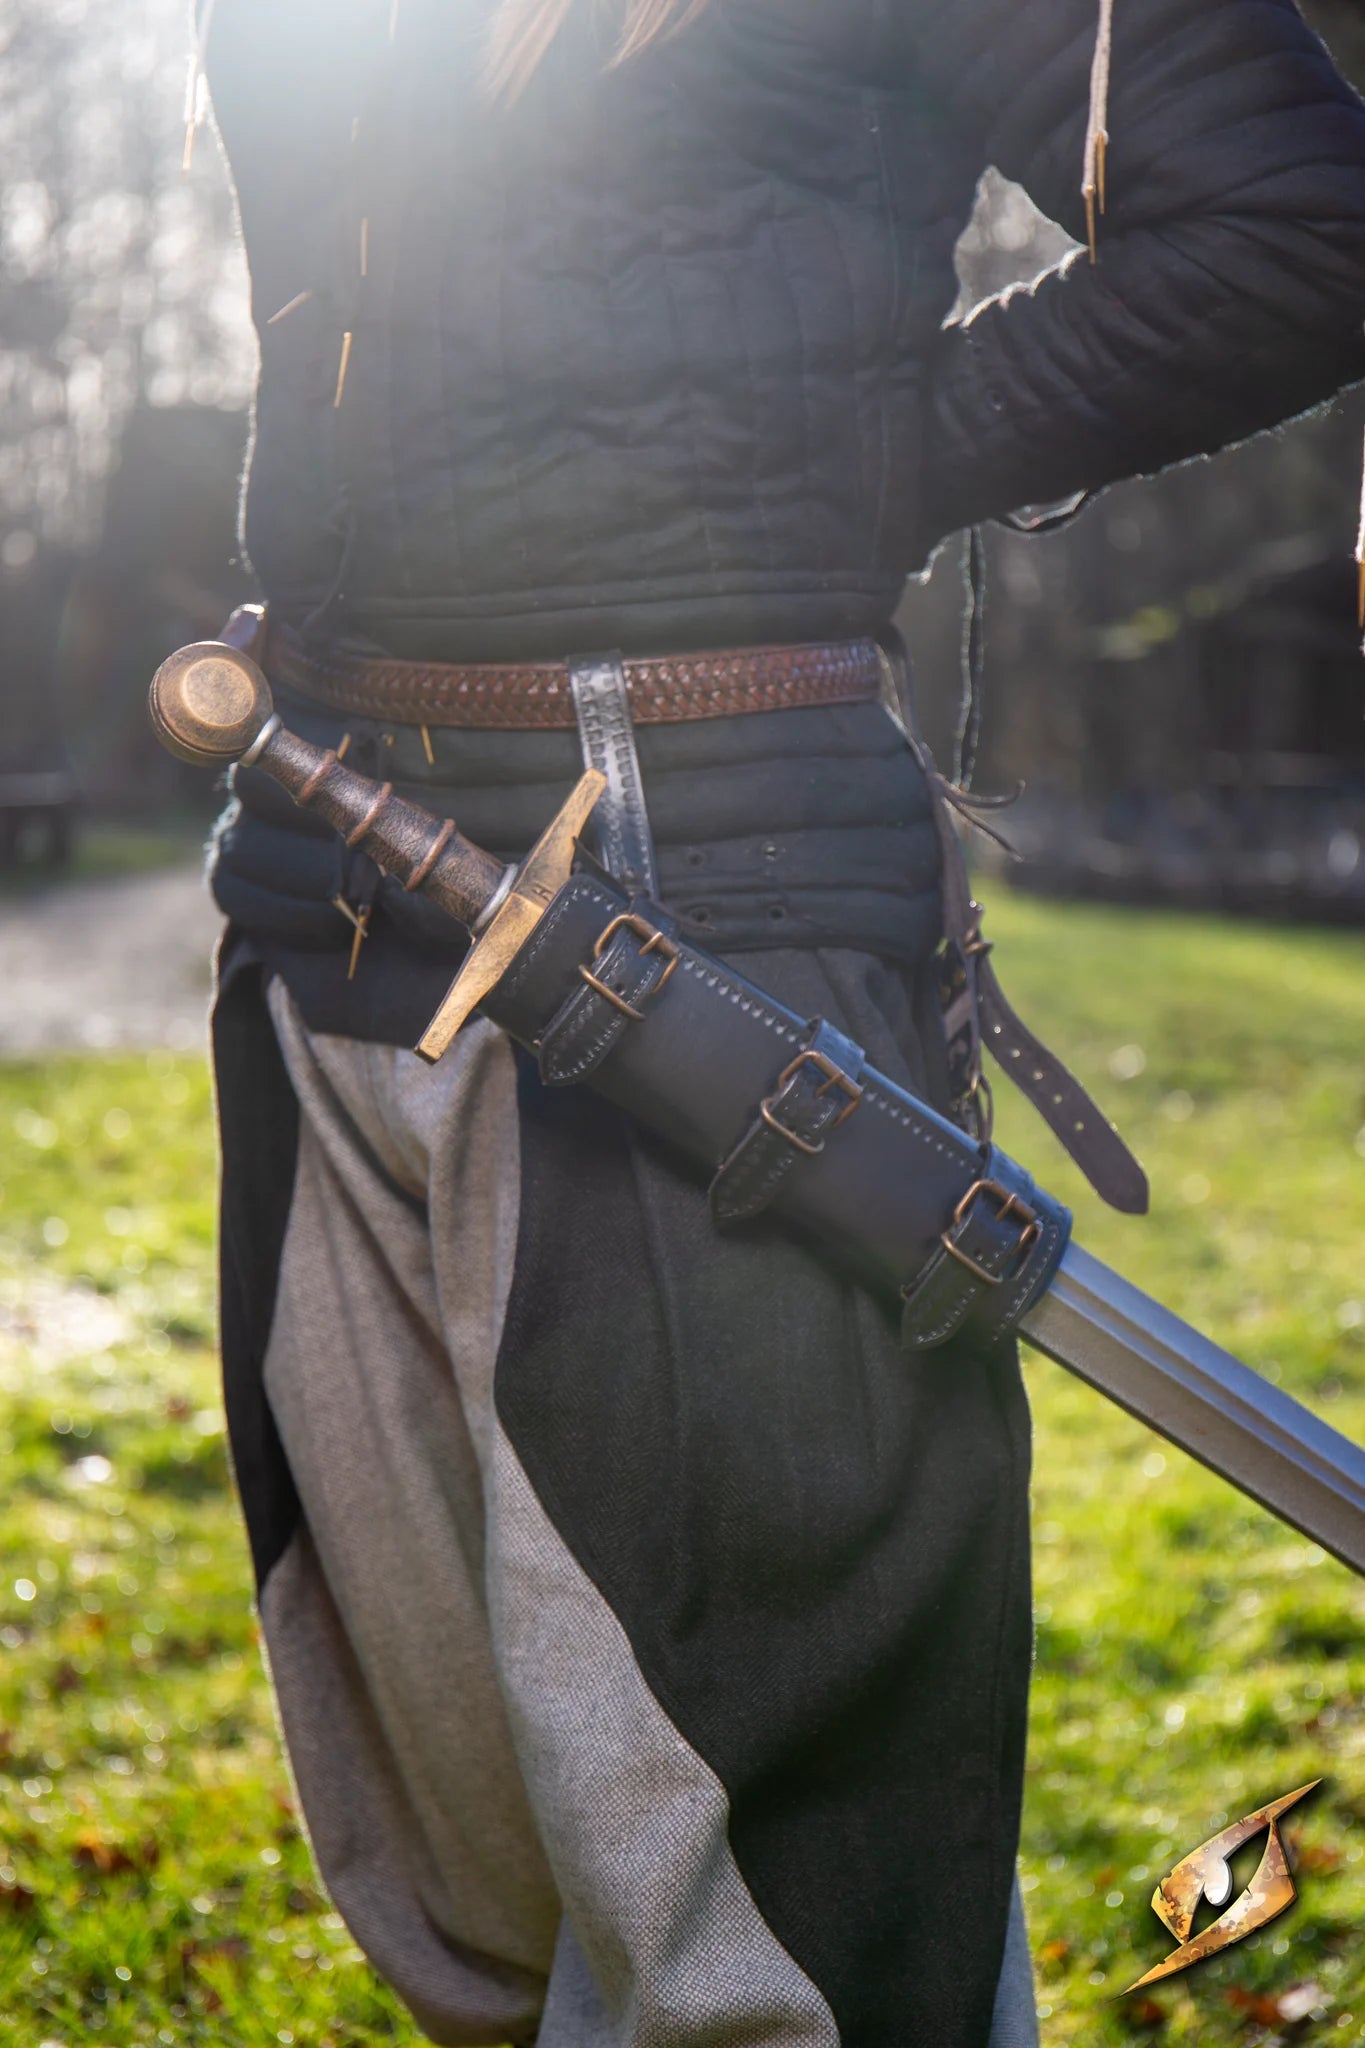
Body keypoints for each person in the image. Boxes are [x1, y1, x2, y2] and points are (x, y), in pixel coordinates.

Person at [195, 3, 1365, 2043]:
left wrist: (850, 454)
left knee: (774, 1950)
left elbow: (1291, 220)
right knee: (474, 1897)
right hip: (318, 884)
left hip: (701, 904)